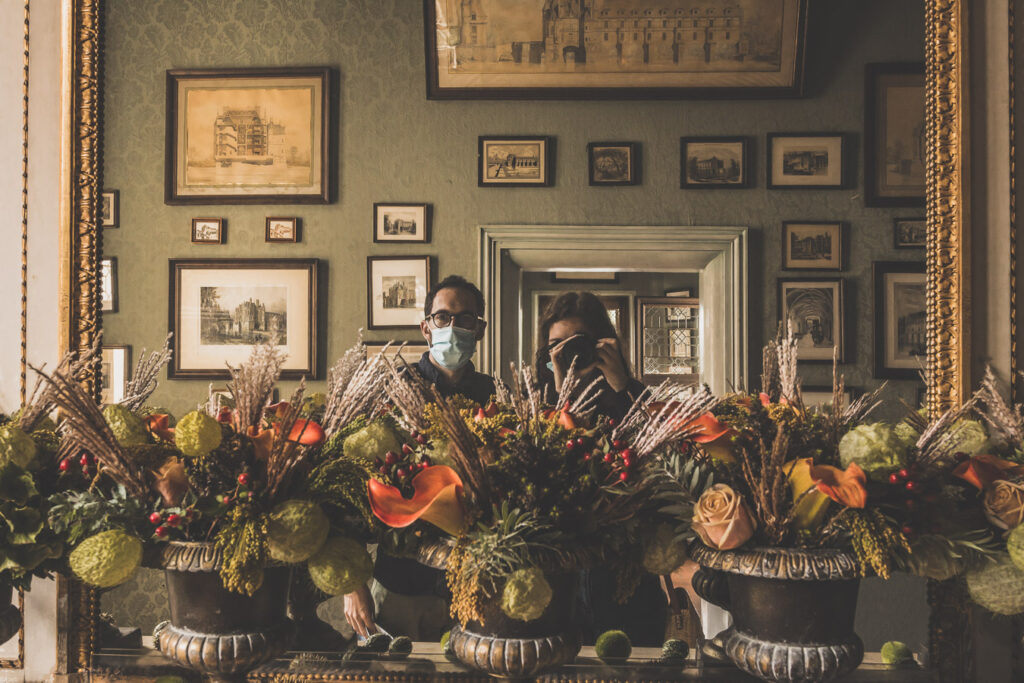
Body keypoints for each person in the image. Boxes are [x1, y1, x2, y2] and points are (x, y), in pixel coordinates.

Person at [344, 275, 494, 642]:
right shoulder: (393, 389)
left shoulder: (495, 397)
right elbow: (352, 482)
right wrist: (352, 583)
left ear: (480, 329)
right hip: (400, 582)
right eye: (443, 318)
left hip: (475, 585)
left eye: (466, 319)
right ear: (426, 328)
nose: (453, 327)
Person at [534, 292, 667, 647]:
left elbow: (661, 450)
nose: (566, 353)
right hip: (563, 565)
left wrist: (622, 384)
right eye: (555, 345)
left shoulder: (629, 393)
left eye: (575, 343)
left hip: (625, 565)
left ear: (599, 342)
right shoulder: (540, 400)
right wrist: (562, 390)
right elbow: (542, 468)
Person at [535, 291, 645, 422]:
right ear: (547, 348)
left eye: (576, 343)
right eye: (558, 344)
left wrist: (622, 388)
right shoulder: (534, 399)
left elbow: (652, 432)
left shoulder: (636, 393)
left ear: (600, 343)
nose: (568, 351)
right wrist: (562, 395)